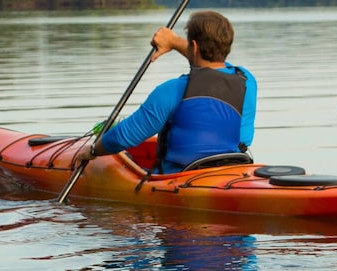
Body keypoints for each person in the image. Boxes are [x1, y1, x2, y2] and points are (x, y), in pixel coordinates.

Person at [75, 11, 257, 173]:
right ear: (227, 45)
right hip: (233, 172)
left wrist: (92, 151)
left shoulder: (171, 90)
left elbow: (123, 137)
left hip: (180, 178)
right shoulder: (246, 81)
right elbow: (214, 68)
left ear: (193, 46)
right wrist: (174, 42)